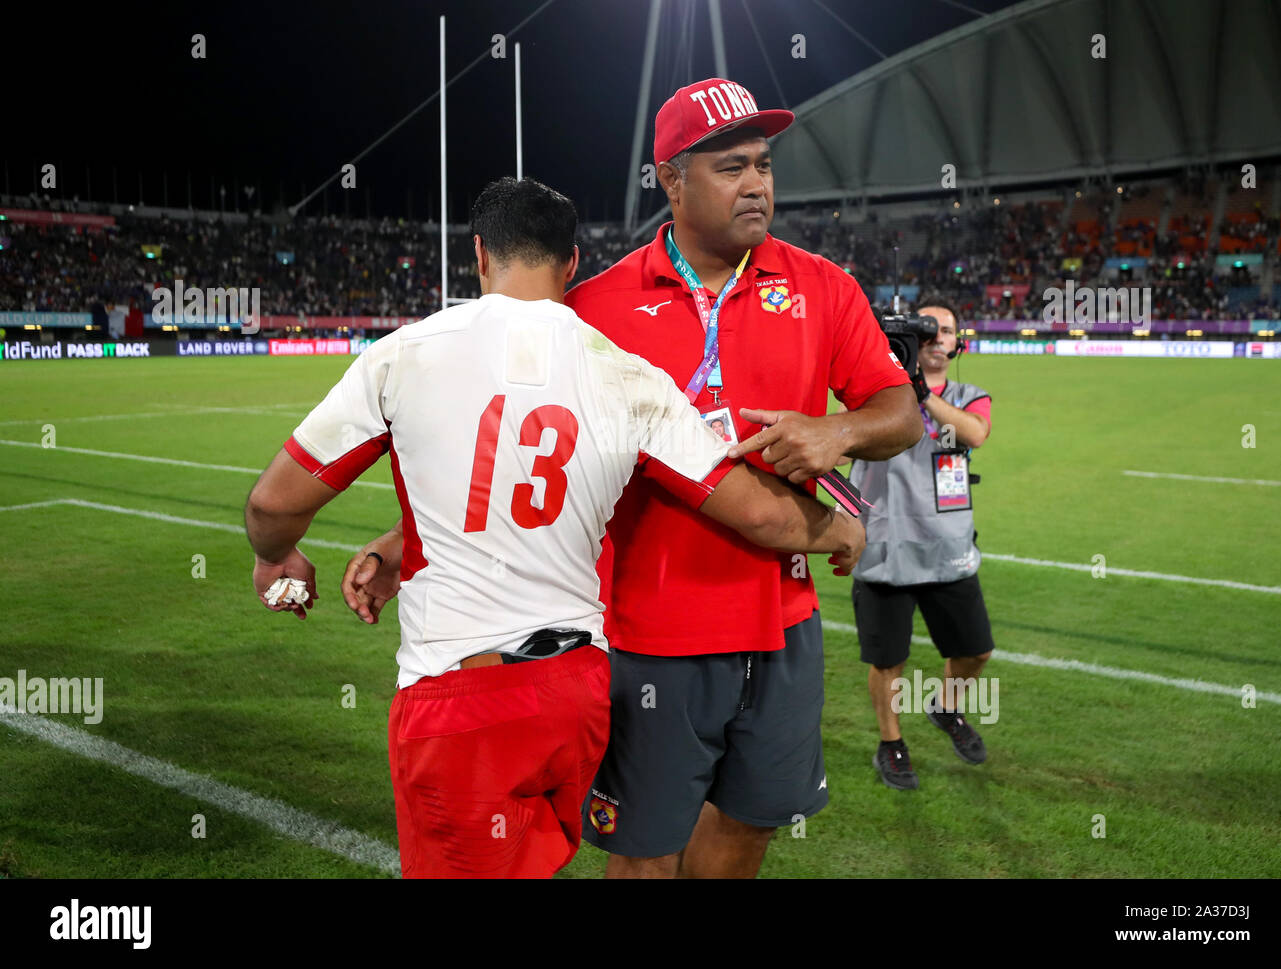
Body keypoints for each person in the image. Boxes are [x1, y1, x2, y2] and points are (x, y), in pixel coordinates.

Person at [245, 176, 866, 878]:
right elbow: (755, 511)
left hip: (461, 691)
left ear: (478, 253)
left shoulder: (406, 353)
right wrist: (837, 530)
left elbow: (274, 505)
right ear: (572, 265)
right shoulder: (629, 375)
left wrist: (279, 559)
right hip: (576, 692)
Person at [562, 78, 919, 877]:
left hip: (784, 624)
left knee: (746, 830)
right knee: (645, 852)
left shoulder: (821, 285)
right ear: (672, 180)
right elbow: (530, 450)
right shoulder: (595, 307)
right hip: (653, 635)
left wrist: (840, 429)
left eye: (763, 164)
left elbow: (901, 413)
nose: (757, 183)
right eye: (730, 167)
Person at [847, 297, 995, 791]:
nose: (936, 338)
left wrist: (921, 395)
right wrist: (894, 382)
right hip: (884, 546)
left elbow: (973, 434)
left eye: (945, 331)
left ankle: (945, 707)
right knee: (888, 660)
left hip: (947, 547)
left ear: (958, 343)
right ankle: (891, 743)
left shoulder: (970, 394)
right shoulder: (875, 390)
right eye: (926, 330)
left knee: (976, 651)